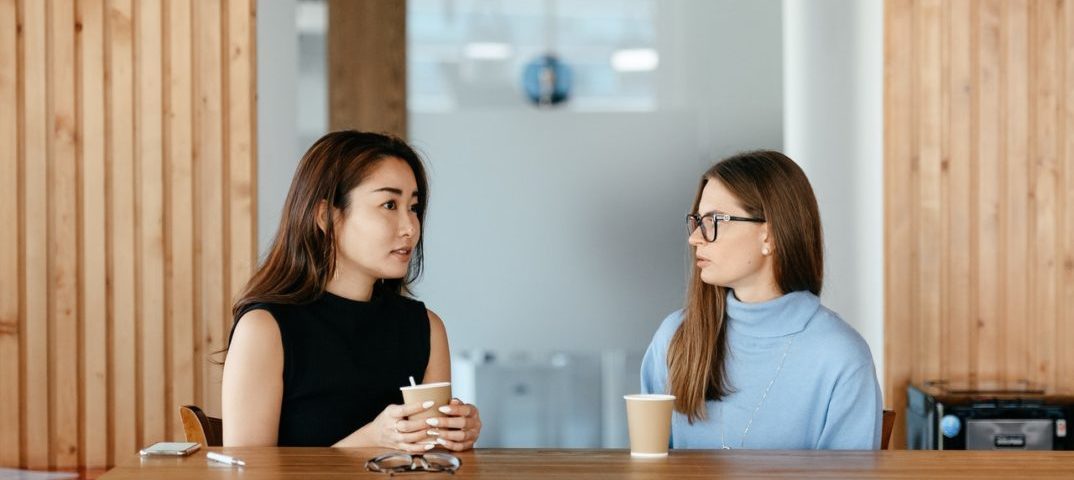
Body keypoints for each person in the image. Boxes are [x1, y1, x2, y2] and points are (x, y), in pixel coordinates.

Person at [222, 130, 482, 451]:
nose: (410, 227)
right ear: (326, 216)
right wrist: (370, 441)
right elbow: (248, 473)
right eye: (389, 204)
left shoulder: (426, 329)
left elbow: (431, 464)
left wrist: (453, 438)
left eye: (413, 207)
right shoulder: (264, 330)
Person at [641, 150, 880, 449]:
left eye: (714, 220)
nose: (695, 238)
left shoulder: (840, 357)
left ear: (770, 236)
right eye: (697, 221)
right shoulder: (675, 337)